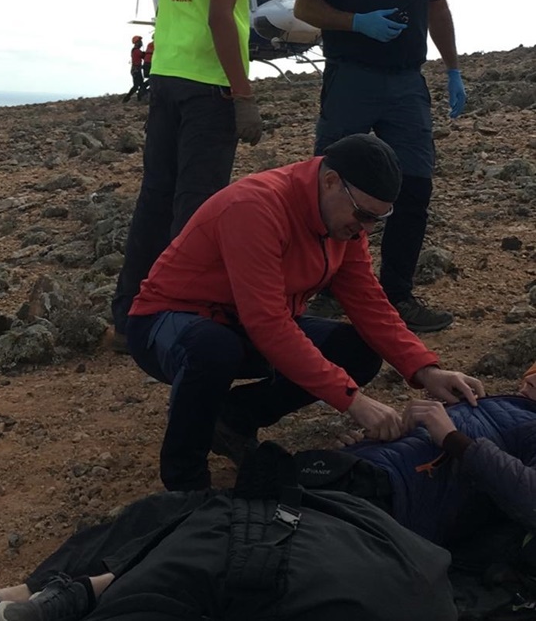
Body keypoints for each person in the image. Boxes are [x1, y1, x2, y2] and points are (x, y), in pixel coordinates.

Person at [0, 378, 536, 621]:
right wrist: (394, 428)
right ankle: (12, 598)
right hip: (354, 473)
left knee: (217, 526)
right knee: (173, 510)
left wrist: (452, 438)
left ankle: (51, 602)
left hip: (386, 511)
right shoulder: (506, 400)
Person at [125, 133, 483, 491]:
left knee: (357, 350)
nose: (367, 229)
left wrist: (426, 369)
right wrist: (353, 401)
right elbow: (268, 324)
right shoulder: (255, 207)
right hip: (167, 321)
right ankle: (185, 484)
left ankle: (231, 418)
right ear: (331, 182)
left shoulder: (342, 224)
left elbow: (369, 303)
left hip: (241, 324)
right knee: (213, 350)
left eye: (378, 219)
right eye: (363, 215)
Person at [109, 0, 288, 352]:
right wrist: (244, 95)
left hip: (167, 79)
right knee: (197, 209)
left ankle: (128, 318)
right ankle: (175, 322)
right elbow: (219, 16)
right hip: (209, 90)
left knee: (154, 200)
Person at [294, 0, 467, 335]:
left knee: (415, 185)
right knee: (330, 181)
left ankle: (396, 295)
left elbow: (438, 9)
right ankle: (324, 290)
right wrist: (356, 22)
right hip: (352, 78)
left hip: (406, 83)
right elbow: (305, 6)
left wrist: (453, 69)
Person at [121, 36, 147, 103]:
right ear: (137, 43)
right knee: (137, 85)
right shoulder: (136, 51)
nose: (141, 43)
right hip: (136, 70)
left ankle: (138, 98)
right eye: (140, 42)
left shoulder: (135, 50)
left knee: (140, 84)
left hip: (136, 70)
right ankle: (127, 98)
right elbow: (143, 56)